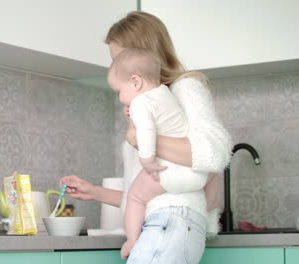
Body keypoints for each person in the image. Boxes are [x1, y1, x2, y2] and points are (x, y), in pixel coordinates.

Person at [60, 11, 232, 264]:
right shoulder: (147, 107)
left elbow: (214, 152)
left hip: (173, 220)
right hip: (160, 221)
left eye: (119, 59)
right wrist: (95, 192)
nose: (115, 68)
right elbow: (145, 193)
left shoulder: (184, 89)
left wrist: (140, 138)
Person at [107, 47, 221, 259]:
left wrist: (147, 159)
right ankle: (211, 202)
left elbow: (147, 132)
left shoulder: (141, 102)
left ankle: (131, 241)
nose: (121, 98)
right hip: (198, 178)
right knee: (213, 170)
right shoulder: (166, 93)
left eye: (119, 92)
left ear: (136, 82)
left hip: (168, 176)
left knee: (135, 196)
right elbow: (212, 156)